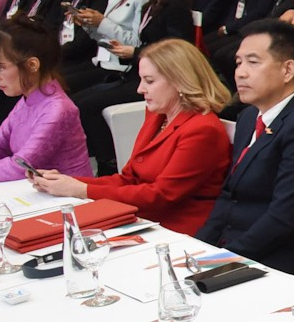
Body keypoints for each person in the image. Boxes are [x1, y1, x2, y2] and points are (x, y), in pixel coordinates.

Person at [26, 38, 230, 234]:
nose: (140, 89)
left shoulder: (202, 130)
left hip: (178, 229)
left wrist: (81, 189)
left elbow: (161, 196)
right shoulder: (158, 116)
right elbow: (129, 179)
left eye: (149, 81)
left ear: (180, 81)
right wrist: (66, 181)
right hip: (147, 219)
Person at [197, 21, 294, 275]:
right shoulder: (249, 117)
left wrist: (222, 261)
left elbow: (283, 216)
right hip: (235, 248)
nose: (240, 73)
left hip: (275, 259)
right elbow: (228, 195)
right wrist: (198, 247)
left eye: (253, 62)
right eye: (238, 63)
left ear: (287, 69)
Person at [71, 0, 197, 173]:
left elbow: (177, 50)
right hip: (139, 71)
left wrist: (135, 52)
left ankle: (108, 164)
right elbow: (142, 40)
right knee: (81, 100)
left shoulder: (176, 7)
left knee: (88, 105)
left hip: (165, 78)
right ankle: (102, 159)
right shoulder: (151, 6)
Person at [0, 20, 89, 182]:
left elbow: (20, 166)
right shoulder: (30, 99)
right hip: (38, 192)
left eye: (0, 68)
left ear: (32, 64)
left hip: (69, 200)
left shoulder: (58, 110)